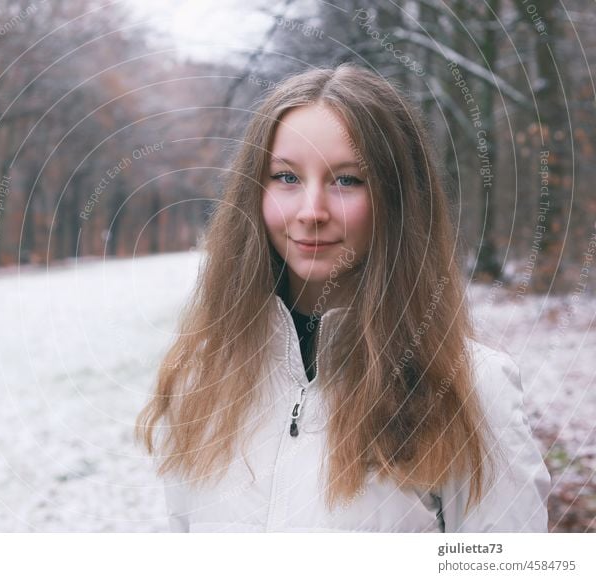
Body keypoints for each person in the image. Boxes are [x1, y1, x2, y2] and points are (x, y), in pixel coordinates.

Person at [135, 64, 550, 533]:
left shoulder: (470, 387)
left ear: (397, 199)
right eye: (286, 177)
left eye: (347, 180)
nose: (312, 211)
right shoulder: (201, 378)